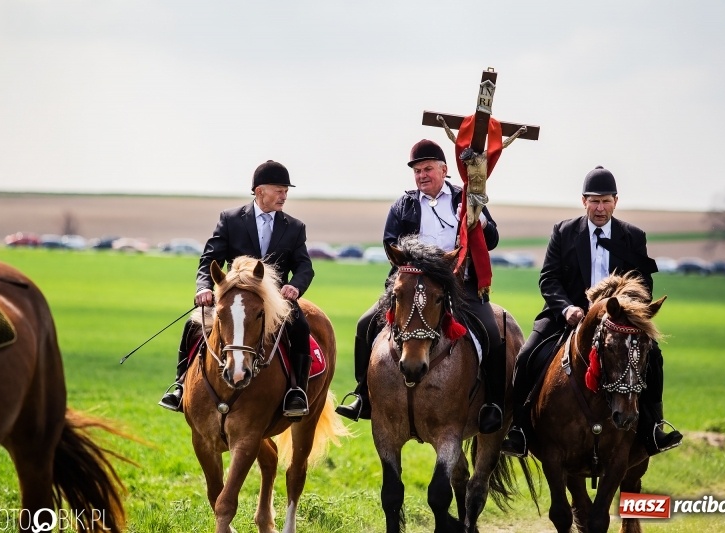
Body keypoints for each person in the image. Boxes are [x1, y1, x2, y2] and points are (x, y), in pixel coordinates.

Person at [501, 166, 683, 457]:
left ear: (616, 201)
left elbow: (644, 284)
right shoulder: (563, 232)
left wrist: (623, 310)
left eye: (606, 200)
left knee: (655, 358)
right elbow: (548, 278)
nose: (600, 207)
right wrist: (566, 308)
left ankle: (652, 428)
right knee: (527, 355)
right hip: (567, 315)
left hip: (617, 320)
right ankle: (519, 430)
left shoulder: (634, 236)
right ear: (584, 201)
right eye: (594, 201)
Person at [335, 139, 507, 434]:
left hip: (460, 286)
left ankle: (493, 404)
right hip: (412, 285)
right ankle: (363, 395)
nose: (422, 175)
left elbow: (491, 241)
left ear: (444, 170)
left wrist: (479, 218)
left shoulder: (465, 199)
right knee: (365, 325)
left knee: (492, 333)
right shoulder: (404, 205)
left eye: (427, 168)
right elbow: (391, 244)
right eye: (417, 171)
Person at [158, 160, 314, 419]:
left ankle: (297, 391)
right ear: (259, 190)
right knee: (192, 324)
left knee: (301, 328)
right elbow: (210, 259)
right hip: (234, 296)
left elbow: (304, 267)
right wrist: (204, 288)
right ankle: (179, 383)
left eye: (286, 190)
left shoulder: (294, 227)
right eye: (279, 189)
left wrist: (294, 287)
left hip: (275, 299)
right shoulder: (230, 219)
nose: (284, 195)